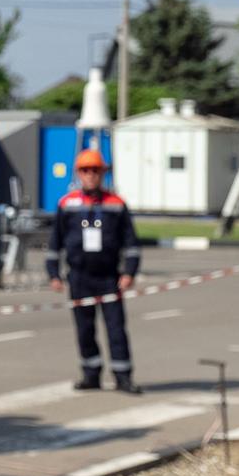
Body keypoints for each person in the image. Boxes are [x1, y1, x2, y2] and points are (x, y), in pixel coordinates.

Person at [46, 148, 142, 394]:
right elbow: (55, 242)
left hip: (109, 277)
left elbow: (131, 243)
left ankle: (123, 376)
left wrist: (129, 272)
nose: (91, 175)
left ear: (103, 173)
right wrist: (53, 274)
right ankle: (91, 374)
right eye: (86, 170)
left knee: (116, 329)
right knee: (84, 329)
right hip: (79, 277)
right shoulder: (67, 204)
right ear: (78, 173)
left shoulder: (116, 204)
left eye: (96, 170)